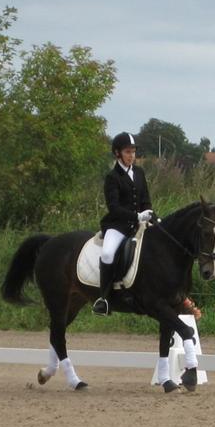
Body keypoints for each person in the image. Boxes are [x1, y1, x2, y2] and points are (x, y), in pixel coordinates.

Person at [92, 131, 153, 315]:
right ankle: (104, 298)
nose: (132, 156)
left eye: (133, 152)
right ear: (118, 153)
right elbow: (114, 207)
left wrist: (149, 214)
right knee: (108, 253)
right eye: (128, 152)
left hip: (139, 224)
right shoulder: (112, 177)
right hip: (118, 225)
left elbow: (145, 199)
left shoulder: (139, 173)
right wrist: (136, 216)